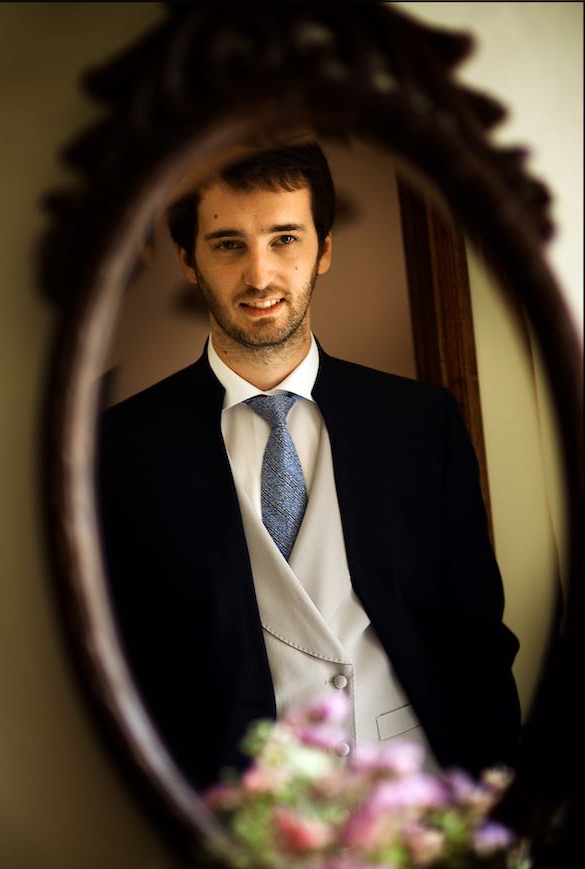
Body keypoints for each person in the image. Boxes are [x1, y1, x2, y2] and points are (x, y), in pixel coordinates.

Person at [97, 142, 521, 791]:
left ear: (323, 249)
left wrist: (503, 797)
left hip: (419, 794)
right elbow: (129, 668)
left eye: (284, 239)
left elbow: (476, 640)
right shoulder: (123, 446)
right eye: (228, 244)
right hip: (241, 818)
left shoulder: (419, 421)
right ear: (189, 261)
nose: (260, 275)